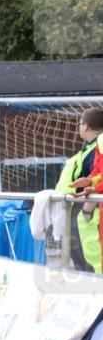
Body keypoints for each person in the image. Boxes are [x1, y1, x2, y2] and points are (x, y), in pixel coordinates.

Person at [55, 107, 102, 273]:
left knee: (91, 263)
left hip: (90, 217)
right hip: (81, 214)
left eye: (80, 123)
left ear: (86, 126)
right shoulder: (90, 148)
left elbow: (99, 178)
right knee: (84, 263)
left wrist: (87, 208)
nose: (79, 127)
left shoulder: (96, 149)